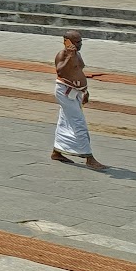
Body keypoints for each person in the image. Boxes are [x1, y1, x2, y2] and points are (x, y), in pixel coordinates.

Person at [50, 30, 106, 171]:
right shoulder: (62, 54)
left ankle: (57, 152)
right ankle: (89, 158)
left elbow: (78, 72)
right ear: (67, 42)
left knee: (64, 121)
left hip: (76, 92)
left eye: (81, 41)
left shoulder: (78, 55)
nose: (80, 44)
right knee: (79, 122)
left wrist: (84, 91)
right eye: (76, 42)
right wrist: (69, 56)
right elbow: (60, 71)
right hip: (65, 91)